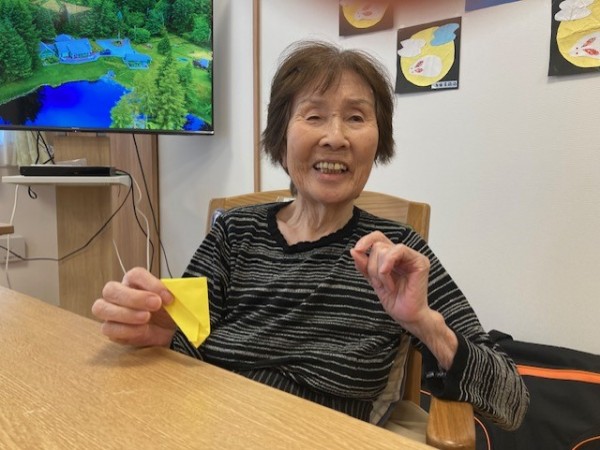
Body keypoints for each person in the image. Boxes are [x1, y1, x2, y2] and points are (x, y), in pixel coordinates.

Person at [93, 40, 528, 434]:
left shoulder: (397, 256)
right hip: (212, 427)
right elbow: (185, 343)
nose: (335, 138)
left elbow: (512, 400)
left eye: (356, 118)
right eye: (314, 116)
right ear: (281, 138)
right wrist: (156, 330)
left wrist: (424, 324)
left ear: (378, 142)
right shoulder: (234, 233)